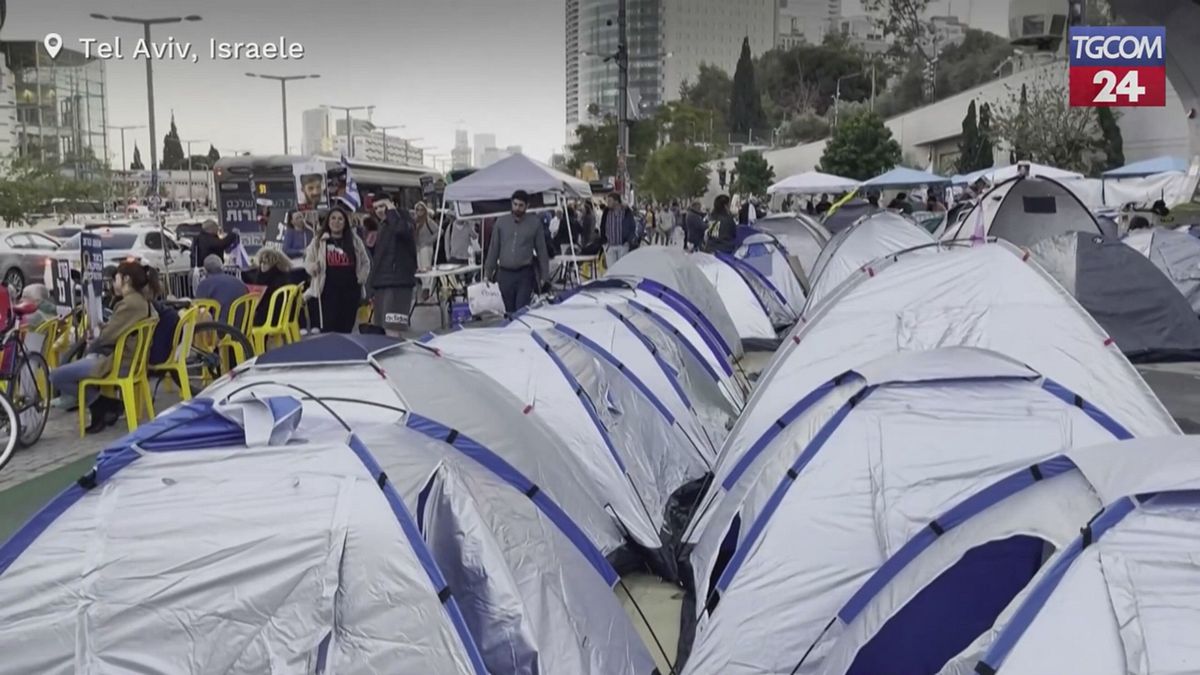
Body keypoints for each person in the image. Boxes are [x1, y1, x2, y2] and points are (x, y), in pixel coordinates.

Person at [49, 261, 158, 434]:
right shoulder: (142, 302)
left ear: (126, 279)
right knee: (79, 367)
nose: (114, 284)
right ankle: (102, 406)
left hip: (119, 364)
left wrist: (97, 335)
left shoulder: (128, 304)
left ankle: (103, 404)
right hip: (131, 362)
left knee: (56, 376)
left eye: (116, 279)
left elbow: (107, 338)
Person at [303, 207, 371, 334]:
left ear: (345, 222)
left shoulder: (355, 240)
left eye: (340, 219)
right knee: (329, 328)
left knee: (346, 327)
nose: (336, 222)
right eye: (333, 218)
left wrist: (361, 277)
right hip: (327, 291)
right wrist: (312, 267)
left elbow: (366, 262)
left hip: (350, 291)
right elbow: (308, 261)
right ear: (328, 221)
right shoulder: (318, 240)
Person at [484, 190, 550, 314]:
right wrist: (487, 273)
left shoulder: (534, 224)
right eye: (515, 204)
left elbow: (542, 251)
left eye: (521, 205)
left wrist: (544, 276)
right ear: (511, 204)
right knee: (507, 311)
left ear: (527, 206)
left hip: (524, 274)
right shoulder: (501, 222)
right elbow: (494, 249)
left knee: (521, 311)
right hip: (504, 274)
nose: (517, 208)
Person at [368, 198, 419, 337]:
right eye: (376, 208)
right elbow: (377, 259)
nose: (379, 210)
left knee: (393, 328)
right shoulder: (382, 227)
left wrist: (391, 210)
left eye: (382, 206)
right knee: (384, 328)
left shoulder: (404, 221)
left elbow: (402, 230)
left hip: (398, 283)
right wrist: (371, 287)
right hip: (382, 283)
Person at [194, 255, 248, 324]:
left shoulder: (205, 284)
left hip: (220, 329)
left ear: (205, 271)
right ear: (222, 267)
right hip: (243, 329)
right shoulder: (239, 282)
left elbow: (197, 309)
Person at [248, 248, 293, 328]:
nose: (262, 265)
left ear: (274, 264)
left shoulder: (277, 280)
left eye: (265, 263)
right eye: (261, 262)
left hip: (272, 315)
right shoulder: (280, 276)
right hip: (277, 315)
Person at [413, 201, 440, 302]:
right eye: (417, 209)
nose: (419, 211)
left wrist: (429, 241)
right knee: (420, 268)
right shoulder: (415, 221)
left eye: (421, 209)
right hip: (418, 247)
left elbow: (439, 231)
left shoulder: (428, 221)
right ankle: (425, 288)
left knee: (426, 267)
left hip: (426, 247)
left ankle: (427, 289)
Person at [600, 192, 636, 265]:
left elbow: (632, 227)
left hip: (622, 245)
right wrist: (604, 242)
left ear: (616, 201)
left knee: (621, 268)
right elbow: (602, 226)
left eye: (610, 201)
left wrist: (628, 241)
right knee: (611, 269)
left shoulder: (626, 212)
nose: (608, 203)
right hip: (610, 245)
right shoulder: (606, 212)